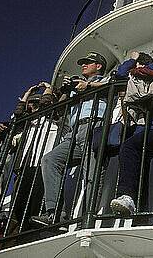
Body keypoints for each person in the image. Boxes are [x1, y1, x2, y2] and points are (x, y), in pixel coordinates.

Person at [31, 52, 109, 226]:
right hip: (73, 133)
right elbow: (60, 111)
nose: (84, 65)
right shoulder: (77, 86)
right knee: (50, 160)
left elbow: (114, 85)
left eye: (89, 62)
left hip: (94, 126)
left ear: (99, 66)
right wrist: (65, 91)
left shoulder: (108, 77)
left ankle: (87, 218)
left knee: (91, 174)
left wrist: (87, 87)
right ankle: (54, 214)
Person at [109, 52, 153, 217]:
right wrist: (131, 61)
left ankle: (126, 195)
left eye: (135, 67)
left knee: (128, 147)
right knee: (141, 170)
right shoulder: (132, 78)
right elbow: (120, 74)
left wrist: (140, 67)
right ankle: (141, 216)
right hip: (141, 132)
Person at [8, 82, 58, 232]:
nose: (33, 109)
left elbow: (46, 104)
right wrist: (26, 95)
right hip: (26, 167)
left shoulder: (53, 119)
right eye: (31, 106)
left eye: (35, 105)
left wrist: (48, 89)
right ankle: (21, 234)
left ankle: (36, 232)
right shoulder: (28, 125)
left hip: (43, 166)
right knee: (19, 205)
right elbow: (17, 115)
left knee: (38, 202)